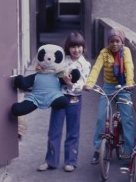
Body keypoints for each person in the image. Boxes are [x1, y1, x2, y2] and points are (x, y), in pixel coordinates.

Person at [37, 32, 91, 172]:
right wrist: (41, 70)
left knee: (73, 132)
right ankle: (51, 161)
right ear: (68, 47)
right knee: (54, 131)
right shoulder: (61, 60)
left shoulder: (85, 64)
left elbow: (81, 84)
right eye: (73, 46)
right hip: (59, 98)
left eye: (79, 46)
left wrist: (69, 83)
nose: (76, 49)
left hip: (75, 99)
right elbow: (51, 72)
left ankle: (70, 161)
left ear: (83, 47)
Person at [83, 27, 136, 164]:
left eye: (117, 41)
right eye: (111, 41)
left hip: (124, 87)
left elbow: (129, 66)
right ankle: (98, 150)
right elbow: (96, 69)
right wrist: (89, 83)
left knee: (127, 119)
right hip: (107, 88)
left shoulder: (126, 52)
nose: (114, 44)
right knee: (102, 117)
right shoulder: (104, 53)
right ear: (108, 42)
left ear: (122, 42)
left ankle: (129, 150)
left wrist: (130, 82)